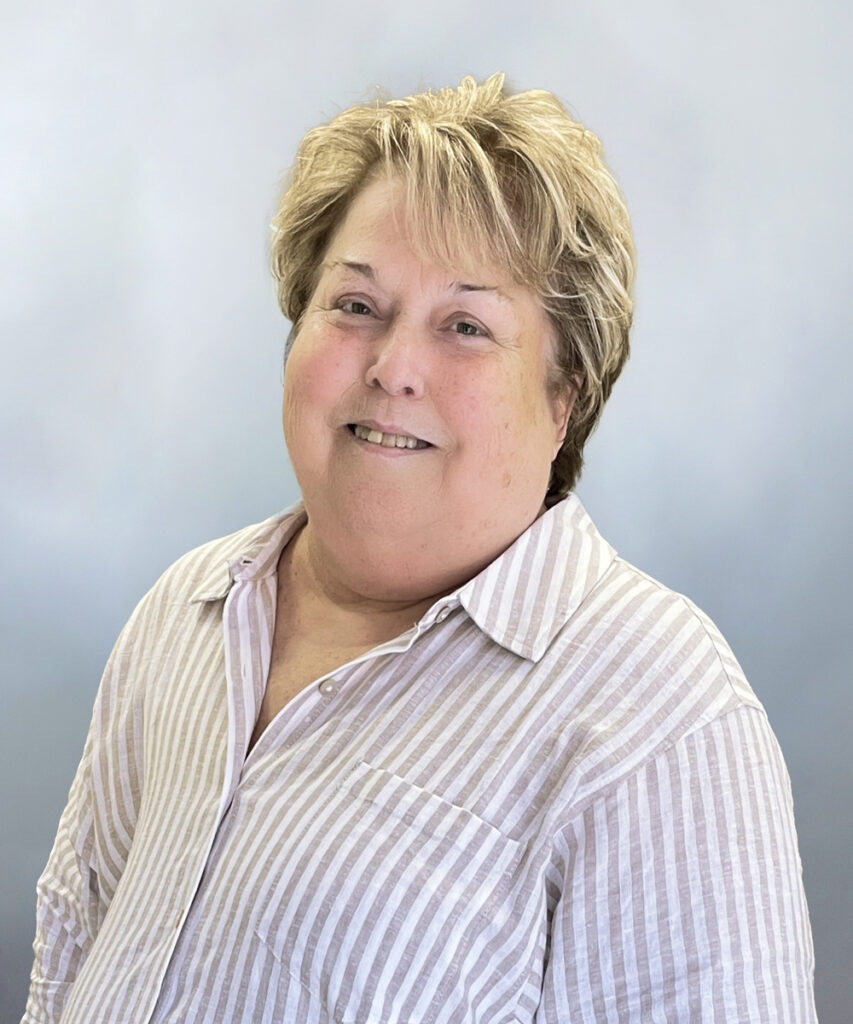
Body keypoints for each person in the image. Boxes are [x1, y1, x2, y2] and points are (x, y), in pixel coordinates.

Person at [23, 73, 817, 1023]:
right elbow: (71, 948)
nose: (393, 366)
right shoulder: (189, 609)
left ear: (565, 400)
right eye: (355, 306)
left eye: (467, 327)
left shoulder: (659, 720)